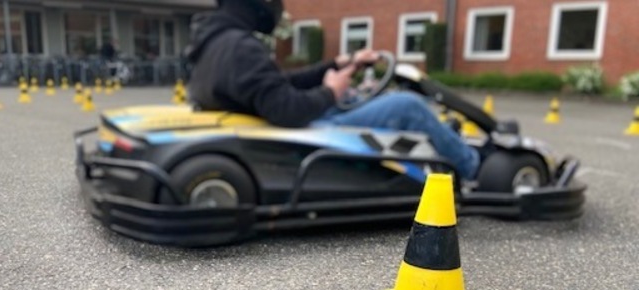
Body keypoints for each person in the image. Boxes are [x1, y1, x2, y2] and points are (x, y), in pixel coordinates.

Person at [185, 0, 481, 180]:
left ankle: (446, 152)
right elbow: (286, 109)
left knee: (356, 97)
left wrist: (341, 63)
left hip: (270, 124)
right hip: (305, 131)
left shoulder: (216, 44)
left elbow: (279, 83)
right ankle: (473, 165)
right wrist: (331, 92)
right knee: (406, 105)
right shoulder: (240, 47)